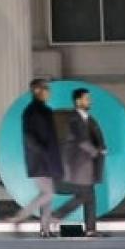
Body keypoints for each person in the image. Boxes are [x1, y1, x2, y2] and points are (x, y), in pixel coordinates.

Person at [9, 78, 64, 237]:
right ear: (37, 91)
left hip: (45, 159)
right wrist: (44, 151)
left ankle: (45, 229)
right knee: (48, 193)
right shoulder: (32, 111)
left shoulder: (43, 110)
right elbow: (30, 137)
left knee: (47, 195)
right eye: (46, 89)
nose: (49, 92)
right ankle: (20, 217)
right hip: (40, 159)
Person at [53, 87, 107, 237]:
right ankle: (58, 214)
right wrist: (97, 152)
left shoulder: (88, 119)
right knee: (86, 194)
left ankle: (90, 229)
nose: (89, 101)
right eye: (86, 98)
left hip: (85, 165)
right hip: (76, 164)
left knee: (89, 195)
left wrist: (101, 148)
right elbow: (81, 140)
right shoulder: (74, 118)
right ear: (78, 101)